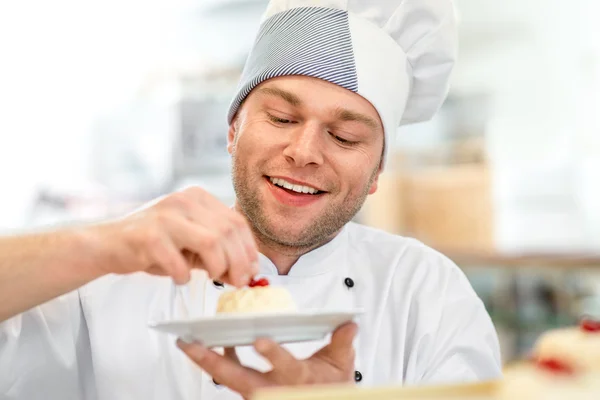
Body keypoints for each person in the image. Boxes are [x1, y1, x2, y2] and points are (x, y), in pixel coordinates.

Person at [0, 1, 503, 399]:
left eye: (346, 137)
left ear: (376, 173)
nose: (304, 152)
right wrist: (98, 245)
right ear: (233, 130)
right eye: (281, 119)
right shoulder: (112, 275)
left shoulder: (427, 294)